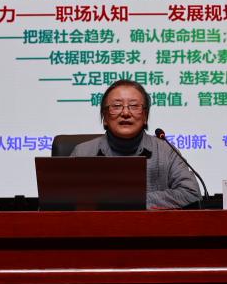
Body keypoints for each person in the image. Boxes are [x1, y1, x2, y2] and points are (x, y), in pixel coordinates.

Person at [71, 79, 201, 209]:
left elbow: (191, 193)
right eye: (117, 106)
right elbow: (67, 200)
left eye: (134, 106)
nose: (125, 113)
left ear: (145, 117)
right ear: (104, 117)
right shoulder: (83, 152)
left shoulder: (165, 151)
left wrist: (135, 201)